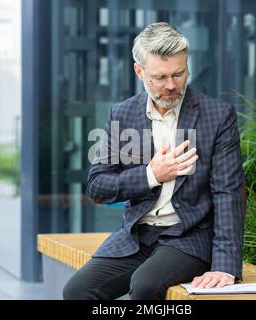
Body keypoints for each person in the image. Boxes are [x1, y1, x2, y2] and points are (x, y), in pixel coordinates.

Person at [63, 22, 245, 300]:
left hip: (188, 237)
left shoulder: (218, 116)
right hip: (136, 236)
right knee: (76, 292)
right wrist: (151, 174)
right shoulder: (121, 115)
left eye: (178, 74)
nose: (171, 85)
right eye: (160, 77)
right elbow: (97, 186)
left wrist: (224, 266)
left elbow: (228, 194)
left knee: (145, 286)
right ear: (139, 71)